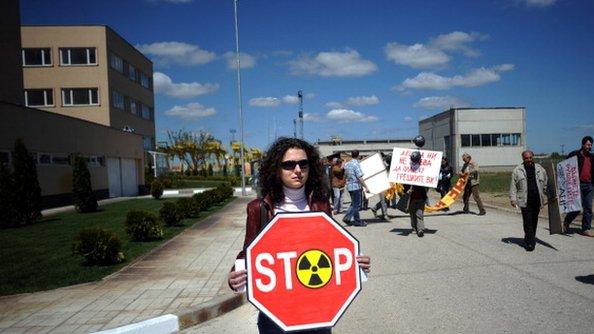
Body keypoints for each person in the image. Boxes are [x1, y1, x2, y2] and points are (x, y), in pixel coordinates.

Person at [227, 137, 371, 333]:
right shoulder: (259, 209)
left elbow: (331, 248)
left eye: (303, 163)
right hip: (275, 319)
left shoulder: (320, 204)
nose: (297, 170)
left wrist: (355, 264)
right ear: (276, 169)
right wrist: (235, 276)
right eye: (288, 165)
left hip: (317, 316)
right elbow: (248, 254)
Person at [510, 150, 549, 251]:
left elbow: (545, 182)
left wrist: (547, 194)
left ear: (533, 157)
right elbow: (513, 186)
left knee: (534, 220)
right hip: (524, 199)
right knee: (527, 221)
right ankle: (531, 243)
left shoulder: (540, 169)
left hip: (537, 199)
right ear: (523, 159)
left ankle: (528, 238)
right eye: (526, 158)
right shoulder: (517, 170)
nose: (529, 160)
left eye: (530, 157)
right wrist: (513, 199)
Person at [563, 136, 594, 237]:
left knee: (588, 208)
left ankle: (586, 229)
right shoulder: (574, 155)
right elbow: (565, 167)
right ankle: (566, 222)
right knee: (576, 207)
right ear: (583, 144)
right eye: (588, 144)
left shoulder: (592, 157)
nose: (589, 147)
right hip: (577, 185)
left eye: (591, 145)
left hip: (589, 185)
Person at [343, 150, 369, 226]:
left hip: (349, 186)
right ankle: (352, 219)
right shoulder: (356, 164)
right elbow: (360, 177)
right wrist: (366, 187)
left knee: (354, 204)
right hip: (355, 187)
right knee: (357, 205)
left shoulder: (347, 164)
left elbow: (345, 176)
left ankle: (352, 219)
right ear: (358, 155)